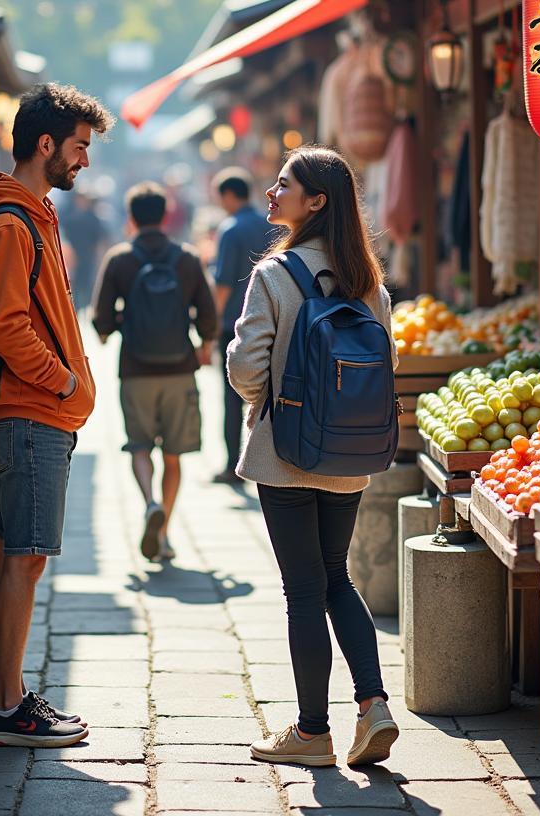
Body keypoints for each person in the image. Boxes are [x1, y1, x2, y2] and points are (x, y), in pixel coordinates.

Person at [226, 145, 400, 769]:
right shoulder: (366, 281)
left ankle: (312, 732)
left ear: (316, 201)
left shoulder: (274, 276)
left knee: (303, 589)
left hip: (287, 452)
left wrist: (266, 400)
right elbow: (387, 365)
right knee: (336, 576)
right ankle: (374, 703)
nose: (271, 194)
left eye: (283, 185)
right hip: (351, 454)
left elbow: (247, 368)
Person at [0, 83, 114, 748]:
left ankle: (7, 694)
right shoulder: (8, 224)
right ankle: (5, 707)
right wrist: (60, 384)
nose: (85, 161)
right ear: (46, 144)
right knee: (25, 561)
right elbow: (5, 328)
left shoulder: (32, 216)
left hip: (35, 415)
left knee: (11, 557)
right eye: (79, 147)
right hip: (30, 415)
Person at [92, 181, 217, 562]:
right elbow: (209, 317)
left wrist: (115, 325)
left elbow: (100, 320)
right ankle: (163, 534)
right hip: (180, 369)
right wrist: (204, 347)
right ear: (165, 215)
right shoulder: (187, 257)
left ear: (131, 218)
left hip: (135, 369)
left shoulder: (120, 259)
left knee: (140, 446)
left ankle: (148, 502)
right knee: (174, 455)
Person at [212, 168, 274, 484]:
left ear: (228, 195)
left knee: (231, 397)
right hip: (271, 321)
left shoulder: (230, 229)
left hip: (234, 324)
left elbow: (222, 284)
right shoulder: (270, 225)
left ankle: (233, 464)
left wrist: (211, 324)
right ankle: (271, 462)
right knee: (271, 392)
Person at [60, 192, 108, 315]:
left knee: (86, 285)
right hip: (71, 258)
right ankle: (75, 311)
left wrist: (99, 257)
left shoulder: (93, 219)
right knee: (72, 286)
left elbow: (99, 240)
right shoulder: (69, 218)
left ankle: (84, 311)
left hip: (87, 257)